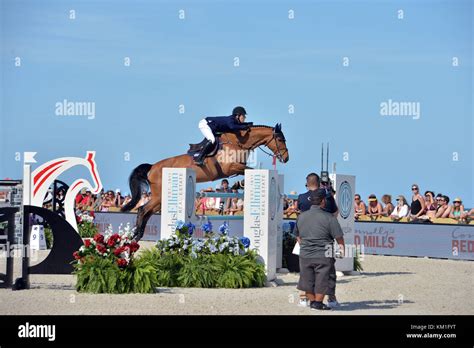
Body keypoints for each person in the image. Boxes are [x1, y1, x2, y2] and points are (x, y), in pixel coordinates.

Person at [295, 189, 345, 311]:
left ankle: (312, 302)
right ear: (323, 201)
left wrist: (304, 246)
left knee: (307, 279)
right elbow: (339, 237)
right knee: (323, 279)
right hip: (324, 254)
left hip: (305, 254)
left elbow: (297, 235)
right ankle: (318, 303)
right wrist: (342, 249)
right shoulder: (329, 217)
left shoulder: (301, 217)